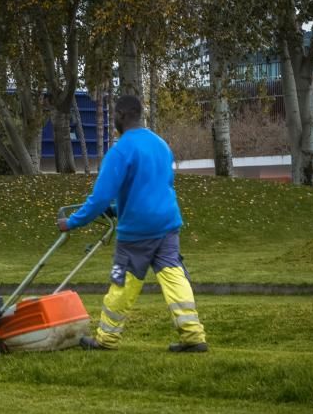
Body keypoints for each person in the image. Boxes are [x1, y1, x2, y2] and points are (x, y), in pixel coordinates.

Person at [56, 95, 207, 352]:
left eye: (114, 115)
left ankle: (106, 338)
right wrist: (117, 210)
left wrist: (71, 222)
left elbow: (100, 198)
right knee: (174, 277)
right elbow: (156, 187)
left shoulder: (121, 151)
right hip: (168, 224)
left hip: (137, 233)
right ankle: (193, 336)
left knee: (121, 281)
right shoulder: (161, 145)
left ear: (121, 116)